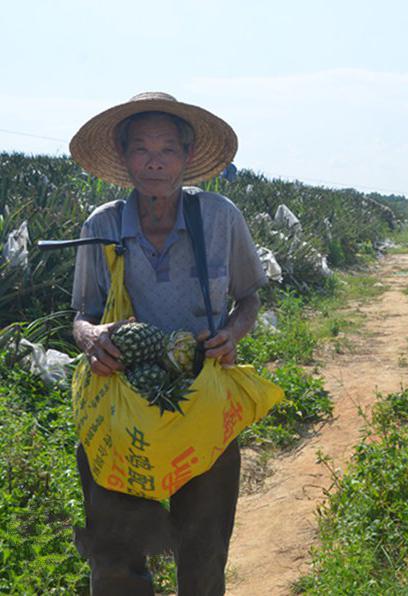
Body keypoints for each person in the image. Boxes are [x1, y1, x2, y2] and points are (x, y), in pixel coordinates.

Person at [69, 92, 266, 595]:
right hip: (121, 403)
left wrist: (232, 334)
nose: (154, 161)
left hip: (202, 400)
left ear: (185, 156)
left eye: (167, 149)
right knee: (115, 553)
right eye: (141, 149)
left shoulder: (220, 218)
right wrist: (92, 337)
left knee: (202, 552)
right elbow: (81, 314)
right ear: (125, 157)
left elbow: (249, 297)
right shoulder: (102, 224)